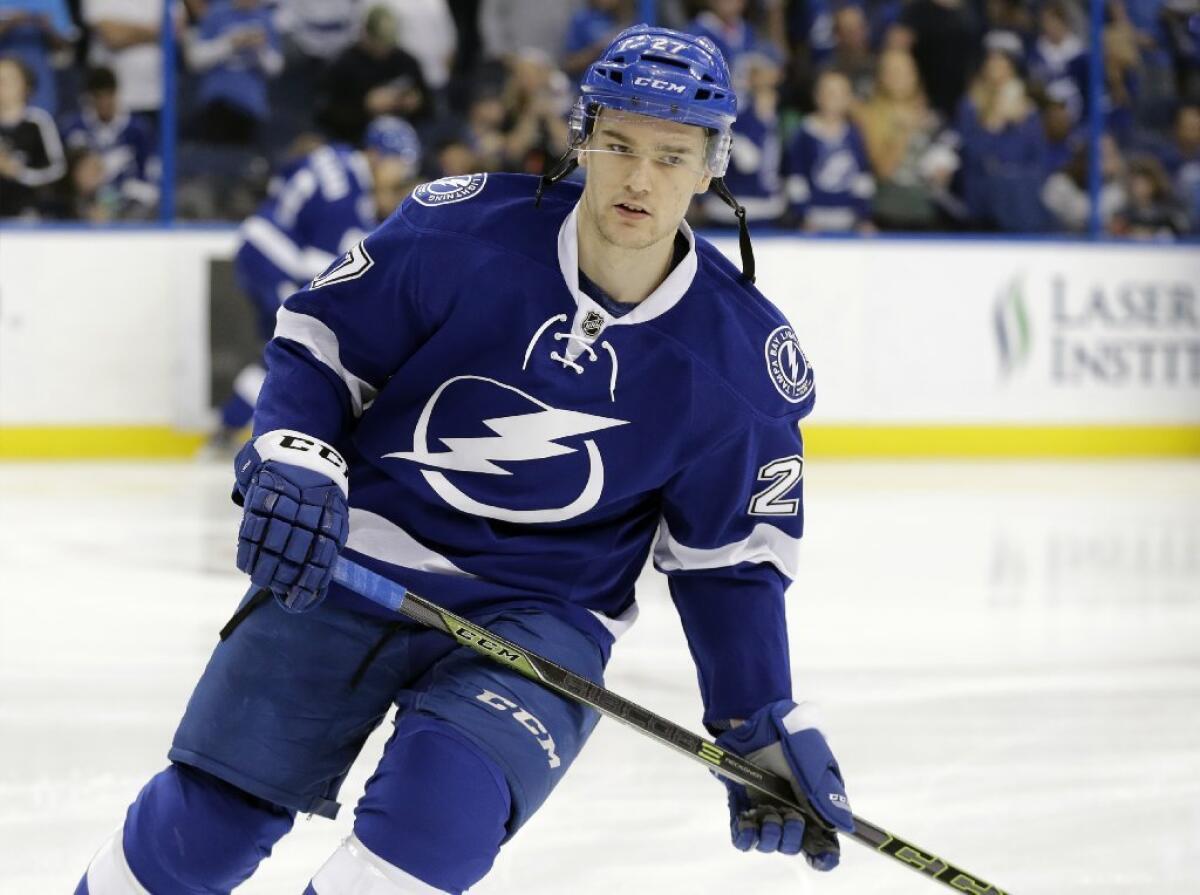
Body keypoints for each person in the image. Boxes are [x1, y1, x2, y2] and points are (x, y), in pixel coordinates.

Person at [76, 24, 854, 895]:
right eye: (620, 144)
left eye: (672, 156)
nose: (640, 178)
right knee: (202, 829)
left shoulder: (740, 364)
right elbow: (322, 342)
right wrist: (294, 451)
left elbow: (731, 566)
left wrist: (756, 717)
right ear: (581, 137)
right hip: (358, 559)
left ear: (713, 165)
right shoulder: (464, 231)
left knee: (432, 827)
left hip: (545, 615)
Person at [210, 116, 422, 444]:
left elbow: (284, 183)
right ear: (378, 154)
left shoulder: (336, 158)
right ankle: (233, 429)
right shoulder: (346, 197)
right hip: (274, 262)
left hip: (259, 250)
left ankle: (230, 427)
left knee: (280, 347)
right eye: (400, 164)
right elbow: (320, 271)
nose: (401, 175)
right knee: (294, 346)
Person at [59, 66, 159, 216]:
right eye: (98, 97)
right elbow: (65, 175)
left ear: (116, 94)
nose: (104, 102)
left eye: (108, 95)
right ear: (89, 97)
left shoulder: (138, 129)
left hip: (128, 203)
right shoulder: (73, 128)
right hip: (83, 203)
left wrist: (117, 200)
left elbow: (149, 172)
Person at [0, 55, 65, 218]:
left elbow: (57, 169)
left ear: (26, 86)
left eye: (10, 79)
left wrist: (20, 173)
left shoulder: (38, 122)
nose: (3, 84)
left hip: (29, 211)